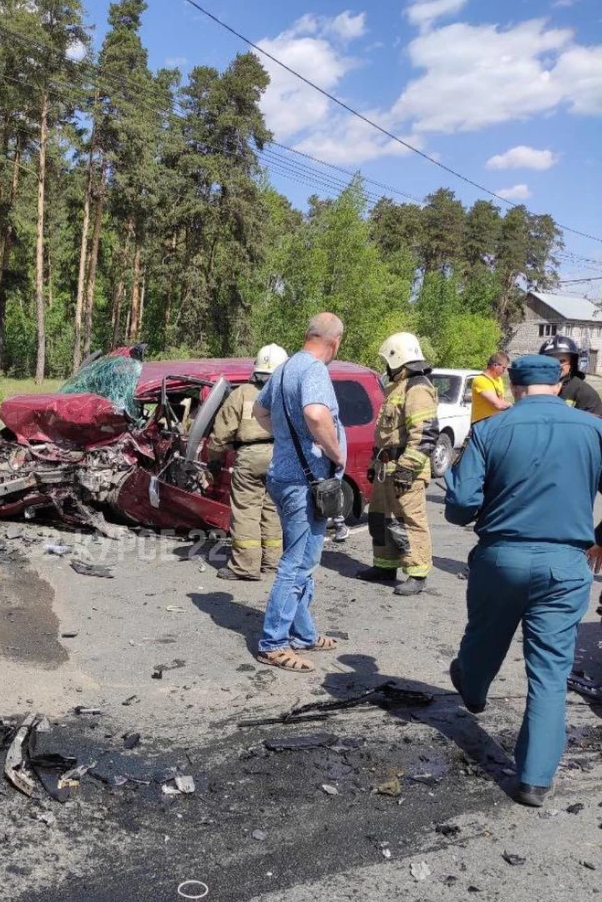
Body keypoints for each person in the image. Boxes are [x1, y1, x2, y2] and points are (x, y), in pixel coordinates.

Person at [445, 355, 602, 807]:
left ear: (513, 386)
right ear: (558, 385)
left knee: (485, 635)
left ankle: (473, 691)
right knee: (551, 671)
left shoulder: (492, 429)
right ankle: (534, 779)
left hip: (501, 557)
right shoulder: (593, 430)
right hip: (566, 563)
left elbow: (458, 507)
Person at [250, 313, 346, 672]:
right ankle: (274, 642)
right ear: (335, 342)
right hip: (305, 483)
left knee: (306, 560)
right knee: (295, 563)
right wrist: (335, 454)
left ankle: (303, 633)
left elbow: (260, 411)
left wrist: (287, 442)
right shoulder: (315, 370)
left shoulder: (285, 368)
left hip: (287, 476)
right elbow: (317, 414)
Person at [357, 332, 439, 596]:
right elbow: (386, 434)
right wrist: (374, 462)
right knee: (380, 518)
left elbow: (425, 433)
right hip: (386, 468)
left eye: (387, 362)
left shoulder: (418, 387)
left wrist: (407, 468)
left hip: (405, 469)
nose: (385, 367)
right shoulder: (398, 388)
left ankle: (417, 572)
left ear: (397, 359)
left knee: (409, 521)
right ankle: (384, 565)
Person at [207, 343, 288, 581]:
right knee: (273, 509)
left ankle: (245, 566)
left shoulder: (242, 393)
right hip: (281, 456)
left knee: (246, 511)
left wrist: (214, 458)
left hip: (250, 456)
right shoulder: (286, 394)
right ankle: (272, 562)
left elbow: (222, 431)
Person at [539, 334, 602, 415]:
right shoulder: (533, 387)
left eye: (562, 361)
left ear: (572, 363)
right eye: (550, 360)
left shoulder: (585, 393)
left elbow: (594, 425)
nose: (555, 365)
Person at [470, 352, 511, 424]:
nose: (504, 371)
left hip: (495, 423)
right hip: (481, 425)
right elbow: (498, 404)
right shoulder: (481, 380)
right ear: (495, 365)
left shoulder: (499, 380)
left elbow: (502, 401)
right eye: (504, 368)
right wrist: (511, 405)